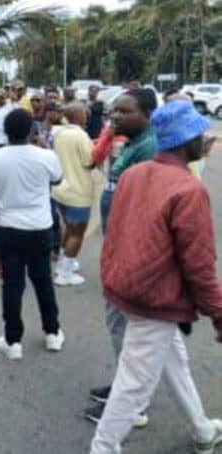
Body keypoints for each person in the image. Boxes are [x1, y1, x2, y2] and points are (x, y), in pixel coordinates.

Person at [90, 100, 222, 454]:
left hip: (126, 287)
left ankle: (202, 430)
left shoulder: (136, 173)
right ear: (184, 141)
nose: (205, 139)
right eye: (199, 133)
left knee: (173, 361)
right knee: (133, 384)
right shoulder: (188, 190)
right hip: (155, 298)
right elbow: (200, 264)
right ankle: (103, 448)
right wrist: (218, 313)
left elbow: (114, 229)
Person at [84, 89, 158, 428]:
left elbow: (146, 207)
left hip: (131, 250)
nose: (115, 117)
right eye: (113, 112)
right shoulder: (129, 142)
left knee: (123, 325)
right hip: (117, 242)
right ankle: (128, 389)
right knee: (151, 337)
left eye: (124, 112)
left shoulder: (149, 150)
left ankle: (130, 404)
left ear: (147, 113)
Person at [0, 109, 65, 360]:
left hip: (8, 228)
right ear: (31, 131)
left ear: (6, 131)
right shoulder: (46, 156)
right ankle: (52, 334)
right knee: (43, 280)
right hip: (40, 227)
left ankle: (13, 341)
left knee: (12, 284)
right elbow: (58, 180)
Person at [51, 102, 95, 287]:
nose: (86, 116)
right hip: (78, 191)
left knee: (68, 228)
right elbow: (88, 161)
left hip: (61, 190)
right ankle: (65, 273)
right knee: (77, 233)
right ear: (78, 116)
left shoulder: (58, 133)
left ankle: (64, 262)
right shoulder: (80, 135)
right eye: (84, 113)